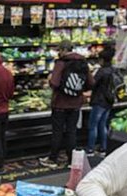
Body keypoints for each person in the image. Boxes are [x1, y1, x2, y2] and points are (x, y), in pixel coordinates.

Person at [44, 39, 93, 168]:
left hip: (60, 104)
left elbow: (54, 83)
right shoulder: (83, 62)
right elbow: (91, 83)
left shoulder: (61, 63)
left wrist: (50, 80)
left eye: (59, 50)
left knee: (57, 132)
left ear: (63, 50)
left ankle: (53, 159)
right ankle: (71, 161)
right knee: (72, 132)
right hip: (76, 104)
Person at [87, 46, 116, 155]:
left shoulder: (102, 71)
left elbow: (92, 84)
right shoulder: (113, 70)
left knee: (93, 126)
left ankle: (90, 149)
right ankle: (103, 148)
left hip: (99, 101)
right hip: (109, 101)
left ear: (102, 60)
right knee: (103, 125)